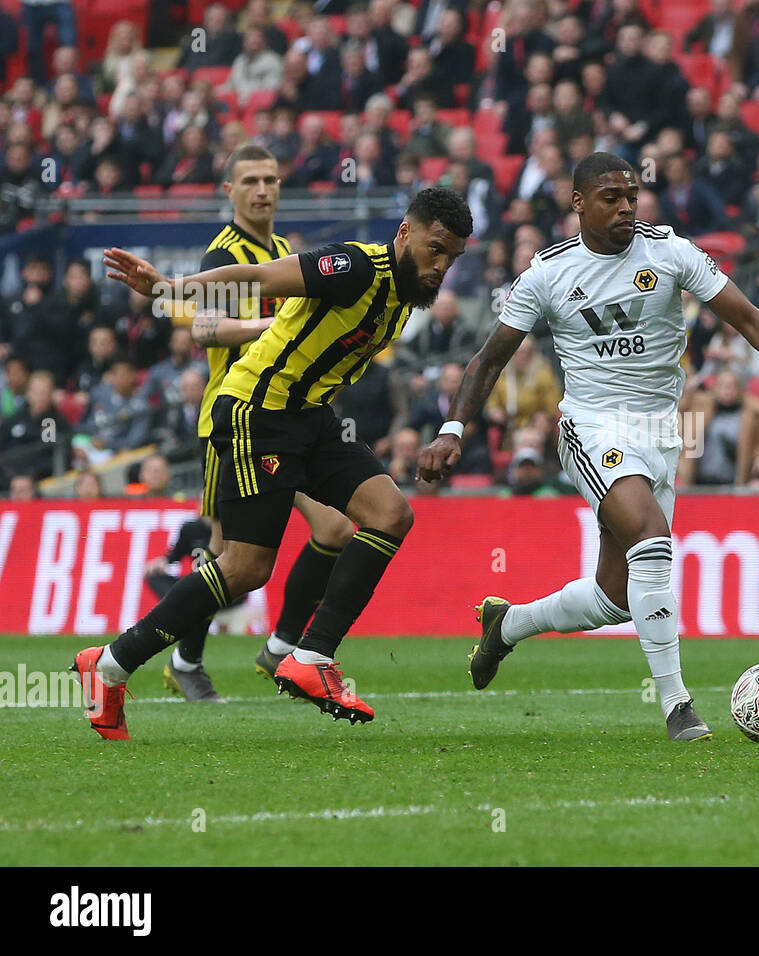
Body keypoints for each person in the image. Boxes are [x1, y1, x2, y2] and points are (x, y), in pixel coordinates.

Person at [418, 152, 759, 741]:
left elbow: (747, 318)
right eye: (611, 198)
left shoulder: (670, 253)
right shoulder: (546, 274)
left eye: (632, 196)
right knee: (651, 537)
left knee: (616, 598)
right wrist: (451, 430)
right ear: (578, 204)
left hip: (662, 433)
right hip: (593, 427)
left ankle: (507, 624)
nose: (626, 207)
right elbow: (489, 360)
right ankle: (678, 706)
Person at [75, 185, 472, 739]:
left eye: (453, 256)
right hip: (256, 411)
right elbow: (261, 279)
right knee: (245, 567)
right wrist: (170, 288)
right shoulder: (355, 266)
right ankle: (111, 664)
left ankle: (310, 658)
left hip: (309, 419)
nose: (441, 265)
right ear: (405, 233)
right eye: (435, 248)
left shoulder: (404, 298)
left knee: (391, 514)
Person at [156, 143, 358, 702]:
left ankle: (279, 648)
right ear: (230, 191)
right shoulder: (224, 253)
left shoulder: (284, 248)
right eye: (250, 181)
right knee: (229, 559)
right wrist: (268, 330)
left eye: (270, 178)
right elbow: (203, 329)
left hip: (287, 416)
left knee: (336, 528)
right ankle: (185, 659)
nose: (263, 189)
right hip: (234, 420)